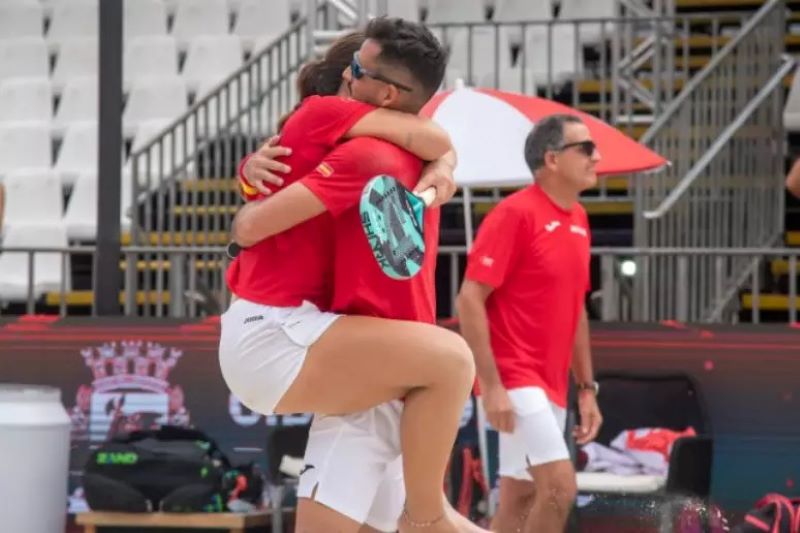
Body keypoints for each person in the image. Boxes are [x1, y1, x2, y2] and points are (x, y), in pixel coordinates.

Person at [221, 18, 475, 532]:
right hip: (283, 333)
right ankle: (426, 515)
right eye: (352, 70)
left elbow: (435, 139)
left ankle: (428, 516)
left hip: (345, 345)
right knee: (451, 361)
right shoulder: (353, 138)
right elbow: (249, 229)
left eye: (361, 70)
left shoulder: (394, 152)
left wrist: (445, 164)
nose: (349, 85)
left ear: (382, 92)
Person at [455, 114, 604, 533]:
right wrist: (492, 385)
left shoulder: (579, 219)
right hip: (516, 378)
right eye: (586, 149)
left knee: (520, 498)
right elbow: (469, 298)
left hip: (552, 383)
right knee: (559, 490)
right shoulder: (514, 214)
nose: (598, 157)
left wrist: (587, 389)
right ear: (552, 159)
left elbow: (576, 310)